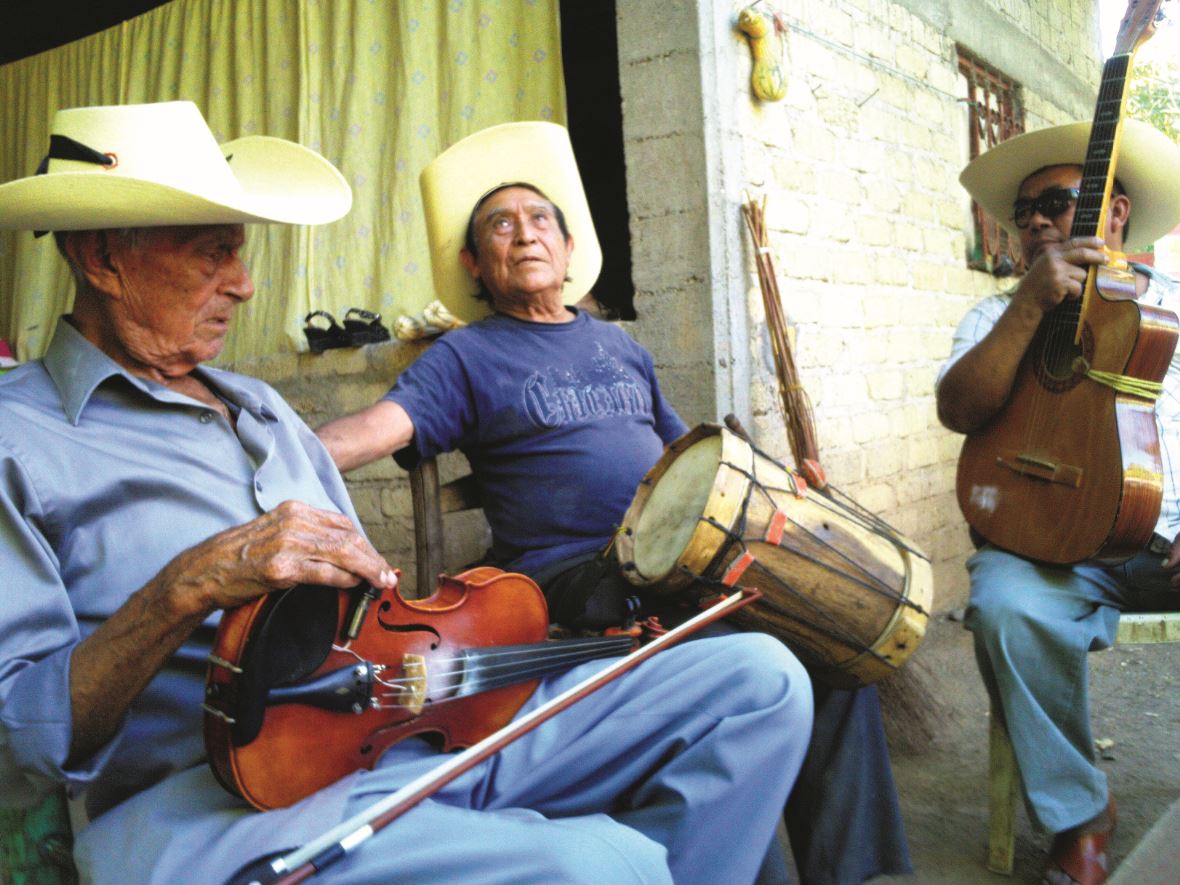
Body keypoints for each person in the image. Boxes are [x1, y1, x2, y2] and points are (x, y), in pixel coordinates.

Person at [0, 101, 815, 885]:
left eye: (240, 251)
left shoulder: (263, 409)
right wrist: (186, 586)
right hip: (227, 803)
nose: (245, 285)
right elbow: (19, 742)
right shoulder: (21, 439)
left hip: (404, 727)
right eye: (212, 252)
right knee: (608, 865)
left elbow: (368, 611)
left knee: (761, 682)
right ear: (103, 258)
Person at [316, 120, 912, 885]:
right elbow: (376, 429)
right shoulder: (466, 354)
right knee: (723, 662)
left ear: (568, 251)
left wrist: (781, 488)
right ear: (475, 262)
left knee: (827, 651)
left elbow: (690, 461)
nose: (524, 234)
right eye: (500, 224)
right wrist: (268, 456)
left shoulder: (620, 346)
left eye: (541, 221)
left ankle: (851, 875)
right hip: (569, 575)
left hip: (674, 560)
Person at [937, 119, 1180, 885]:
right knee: (1005, 609)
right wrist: (1029, 307)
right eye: (1023, 212)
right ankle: (1081, 814)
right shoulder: (993, 317)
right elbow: (960, 410)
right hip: (1050, 544)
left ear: (1114, 213)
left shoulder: (1174, 309)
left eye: (1057, 201)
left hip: (1166, 540)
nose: (1037, 220)